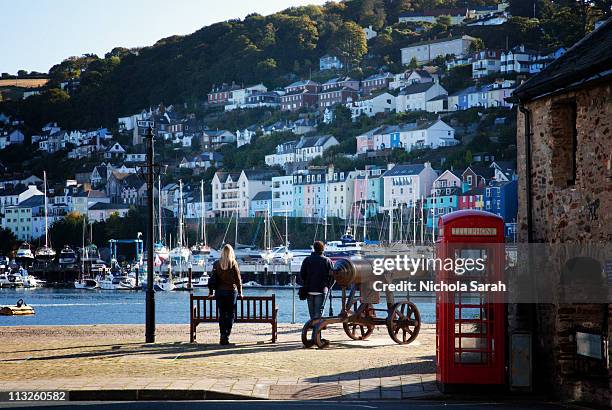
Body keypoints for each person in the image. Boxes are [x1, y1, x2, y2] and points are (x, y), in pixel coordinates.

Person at [211, 244, 243, 345]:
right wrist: (241, 292)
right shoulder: (233, 263)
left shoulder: (216, 263)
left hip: (219, 292)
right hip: (231, 292)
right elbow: (238, 280)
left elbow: (212, 279)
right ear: (231, 253)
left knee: (222, 315)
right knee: (230, 314)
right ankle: (226, 335)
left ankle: (222, 335)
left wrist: (211, 291)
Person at [300, 241, 333, 320]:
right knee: (319, 312)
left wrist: (305, 283)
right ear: (323, 249)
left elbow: (302, 274)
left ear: (314, 248)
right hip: (322, 289)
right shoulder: (327, 261)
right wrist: (328, 286)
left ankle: (313, 325)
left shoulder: (307, 260)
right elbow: (333, 276)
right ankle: (317, 327)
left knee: (312, 312)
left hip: (309, 289)